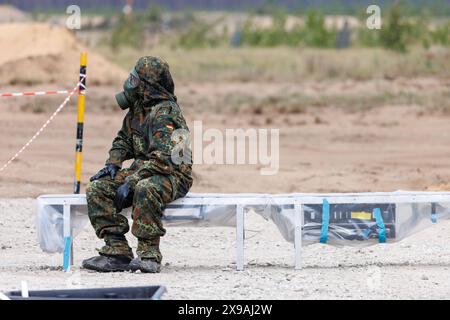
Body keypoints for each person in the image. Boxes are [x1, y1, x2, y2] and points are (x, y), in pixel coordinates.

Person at [82, 56, 193, 273]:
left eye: (135, 79)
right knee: (97, 188)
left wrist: (131, 182)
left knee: (146, 188)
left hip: (173, 174)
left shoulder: (166, 113)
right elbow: (123, 139)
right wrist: (113, 163)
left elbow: (165, 160)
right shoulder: (138, 109)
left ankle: (148, 255)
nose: (129, 83)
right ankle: (117, 252)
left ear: (147, 85)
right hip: (145, 169)